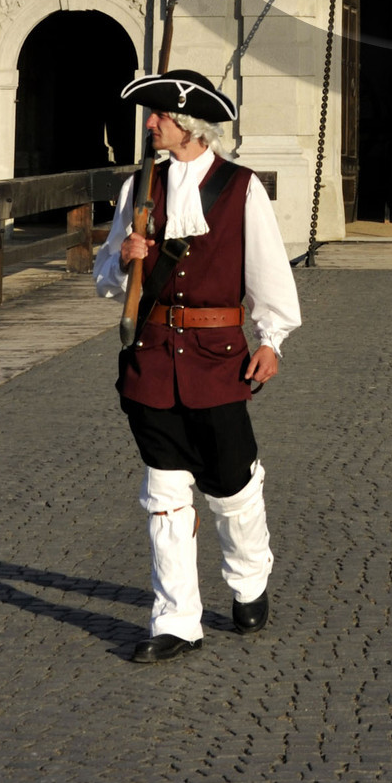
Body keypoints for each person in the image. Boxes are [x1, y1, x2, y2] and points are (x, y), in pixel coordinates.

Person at [93, 69, 301, 661]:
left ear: (188, 125)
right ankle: (176, 620)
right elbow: (104, 278)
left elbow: (267, 270)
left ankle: (249, 578)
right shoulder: (139, 188)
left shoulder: (240, 187)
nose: (150, 124)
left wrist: (271, 340)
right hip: (152, 361)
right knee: (164, 493)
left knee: (232, 485)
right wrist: (124, 257)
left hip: (218, 361)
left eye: (159, 115)